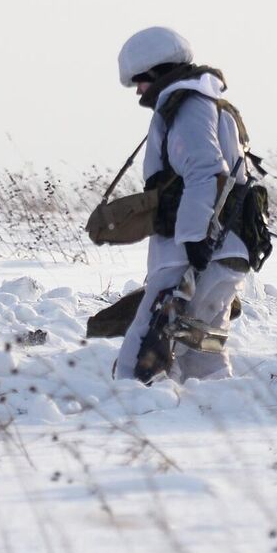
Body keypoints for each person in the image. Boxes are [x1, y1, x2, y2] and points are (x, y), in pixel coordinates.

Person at [112, 26, 253, 382]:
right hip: (227, 251)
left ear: (159, 71)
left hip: (191, 256)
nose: (139, 90)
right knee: (200, 354)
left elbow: (205, 171)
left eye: (141, 80)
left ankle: (129, 418)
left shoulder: (187, 106)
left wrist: (193, 239)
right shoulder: (211, 102)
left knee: (141, 354)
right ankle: (215, 414)